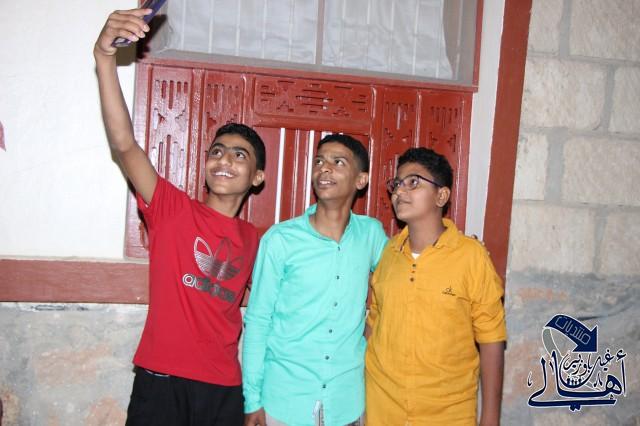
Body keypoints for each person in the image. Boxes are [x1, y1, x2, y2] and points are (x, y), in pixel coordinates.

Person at [94, 8, 266, 425]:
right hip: (161, 384)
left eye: (239, 155)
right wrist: (104, 58)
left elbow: (270, 313)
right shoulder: (171, 209)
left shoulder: (258, 240)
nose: (224, 160)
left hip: (223, 389)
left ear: (257, 177)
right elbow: (125, 145)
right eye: (217, 151)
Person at [242, 134, 388, 426]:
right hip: (284, 399)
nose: (324, 168)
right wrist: (252, 400)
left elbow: (404, 274)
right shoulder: (281, 239)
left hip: (346, 401)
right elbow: (258, 321)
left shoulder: (371, 235)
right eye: (319, 161)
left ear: (361, 180)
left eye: (338, 162)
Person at [365, 147, 507, 426]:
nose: (399, 191)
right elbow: (374, 324)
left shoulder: (470, 257)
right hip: (383, 409)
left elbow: (491, 339)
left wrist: (490, 417)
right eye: (397, 184)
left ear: (441, 196)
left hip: (447, 413)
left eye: (413, 182)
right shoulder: (390, 254)